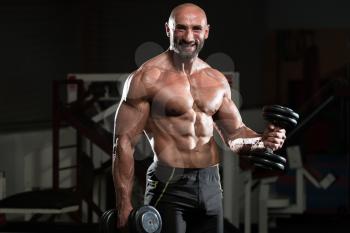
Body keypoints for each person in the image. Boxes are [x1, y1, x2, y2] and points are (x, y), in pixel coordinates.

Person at [112, 3, 286, 233]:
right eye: (181, 28)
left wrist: (262, 141)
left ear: (206, 32)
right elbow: (123, 143)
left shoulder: (215, 80)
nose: (188, 36)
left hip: (210, 183)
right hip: (169, 182)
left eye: (196, 29)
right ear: (168, 30)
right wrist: (124, 205)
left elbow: (234, 135)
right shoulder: (147, 78)